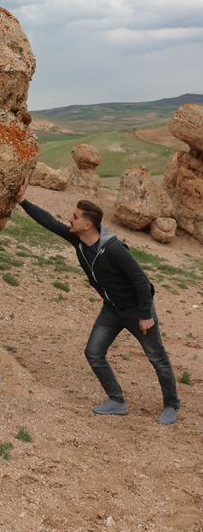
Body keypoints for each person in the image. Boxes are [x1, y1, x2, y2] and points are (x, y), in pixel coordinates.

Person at [16, 178, 180, 424]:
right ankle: (116, 401)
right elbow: (49, 222)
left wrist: (146, 314)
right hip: (112, 309)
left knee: (157, 358)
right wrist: (22, 201)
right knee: (94, 352)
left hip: (137, 310)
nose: (70, 219)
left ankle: (171, 405)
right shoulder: (78, 240)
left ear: (88, 224)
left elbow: (141, 281)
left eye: (75, 216)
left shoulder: (113, 249)